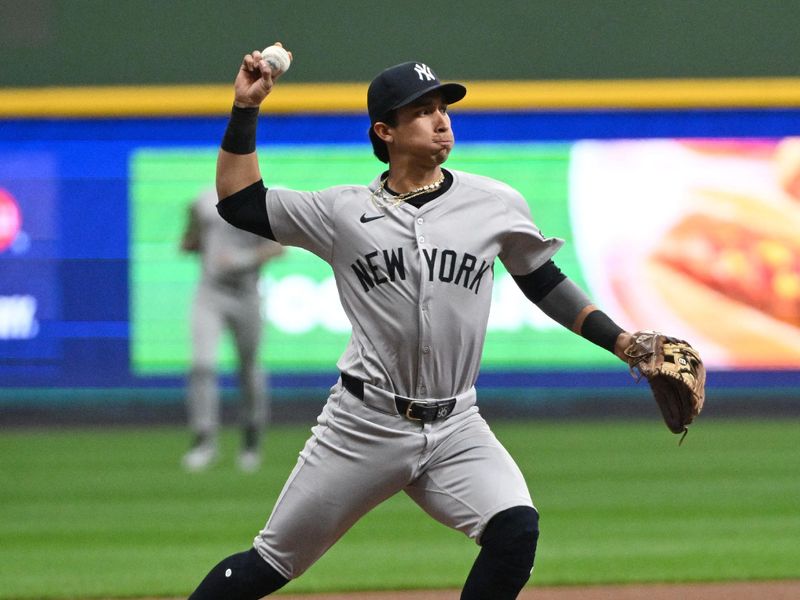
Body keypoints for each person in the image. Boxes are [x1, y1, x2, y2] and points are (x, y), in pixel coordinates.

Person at [187, 43, 639, 599]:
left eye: (444, 108)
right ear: (385, 132)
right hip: (364, 424)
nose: (440, 120)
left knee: (515, 529)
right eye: (422, 111)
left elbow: (543, 282)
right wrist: (245, 108)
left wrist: (625, 343)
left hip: (456, 426)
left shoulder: (494, 203)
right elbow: (238, 201)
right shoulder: (341, 211)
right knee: (270, 563)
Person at [180, 186, 283, 472]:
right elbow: (191, 242)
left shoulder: (262, 202)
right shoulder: (203, 198)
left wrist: (241, 260)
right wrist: (191, 232)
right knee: (202, 365)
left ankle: (251, 437)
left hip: (247, 295)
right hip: (210, 292)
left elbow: (278, 249)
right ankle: (204, 440)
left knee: (248, 367)